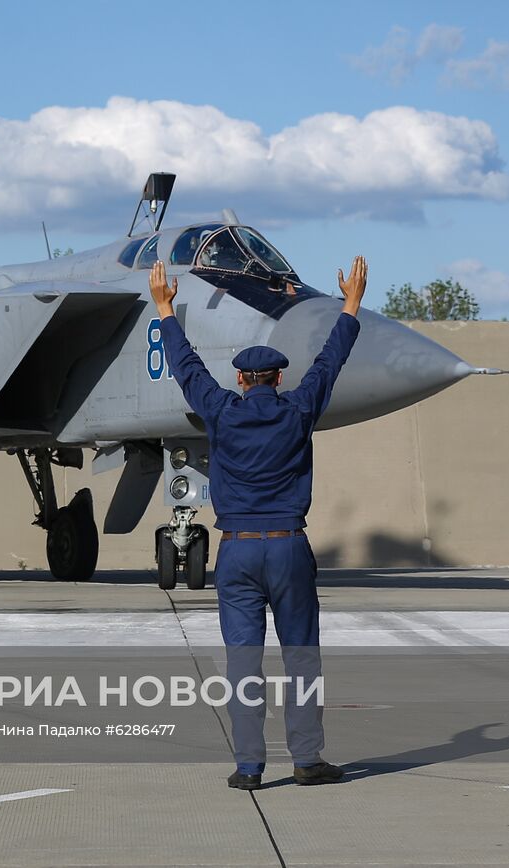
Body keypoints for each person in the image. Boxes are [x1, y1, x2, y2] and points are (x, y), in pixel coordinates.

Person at [147, 256, 367, 790]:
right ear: (279, 377)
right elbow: (330, 363)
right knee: (301, 658)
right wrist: (350, 304)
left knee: (243, 662)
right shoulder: (298, 411)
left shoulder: (221, 410)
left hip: (238, 551)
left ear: (242, 379)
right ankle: (308, 759)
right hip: (289, 547)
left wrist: (165, 310)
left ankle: (249, 766)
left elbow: (186, 369)